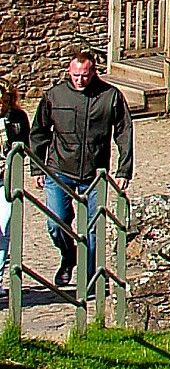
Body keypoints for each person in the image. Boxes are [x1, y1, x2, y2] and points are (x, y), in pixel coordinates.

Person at [29, 51, 132, 291]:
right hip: (59, 169)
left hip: (95, 172)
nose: (80, 80)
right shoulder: (54, 96)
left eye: (85, 75)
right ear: (69, 72)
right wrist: (37, 167)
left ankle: (90, 278)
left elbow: (124, 131)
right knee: (57, 223)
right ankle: (69, 255)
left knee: (94, 229)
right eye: (75, 75)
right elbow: (39, 132)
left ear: (93, 72)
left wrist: (124, 169)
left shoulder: (110, 96)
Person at [0, 81, 26, 273]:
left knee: (4, 224)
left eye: (5, 101)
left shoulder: (17, 117)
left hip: (6, 179)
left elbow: (26, 144)